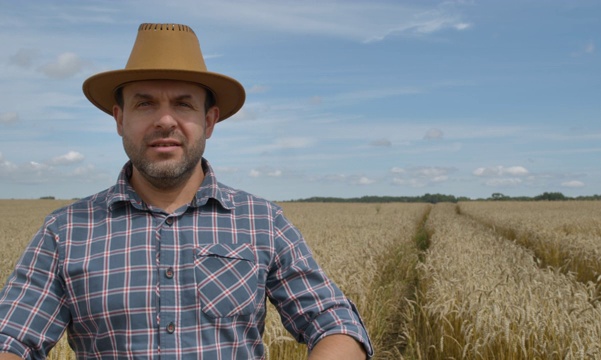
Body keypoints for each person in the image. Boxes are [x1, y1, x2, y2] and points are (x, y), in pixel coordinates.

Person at [0, 23, 372, 359]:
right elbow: (11, 338)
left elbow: (333, 321)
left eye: (183, 104)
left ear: (209, 121)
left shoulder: (263, 221)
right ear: (119, 119)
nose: (164, 120)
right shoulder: (66, 231)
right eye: (145, 103)